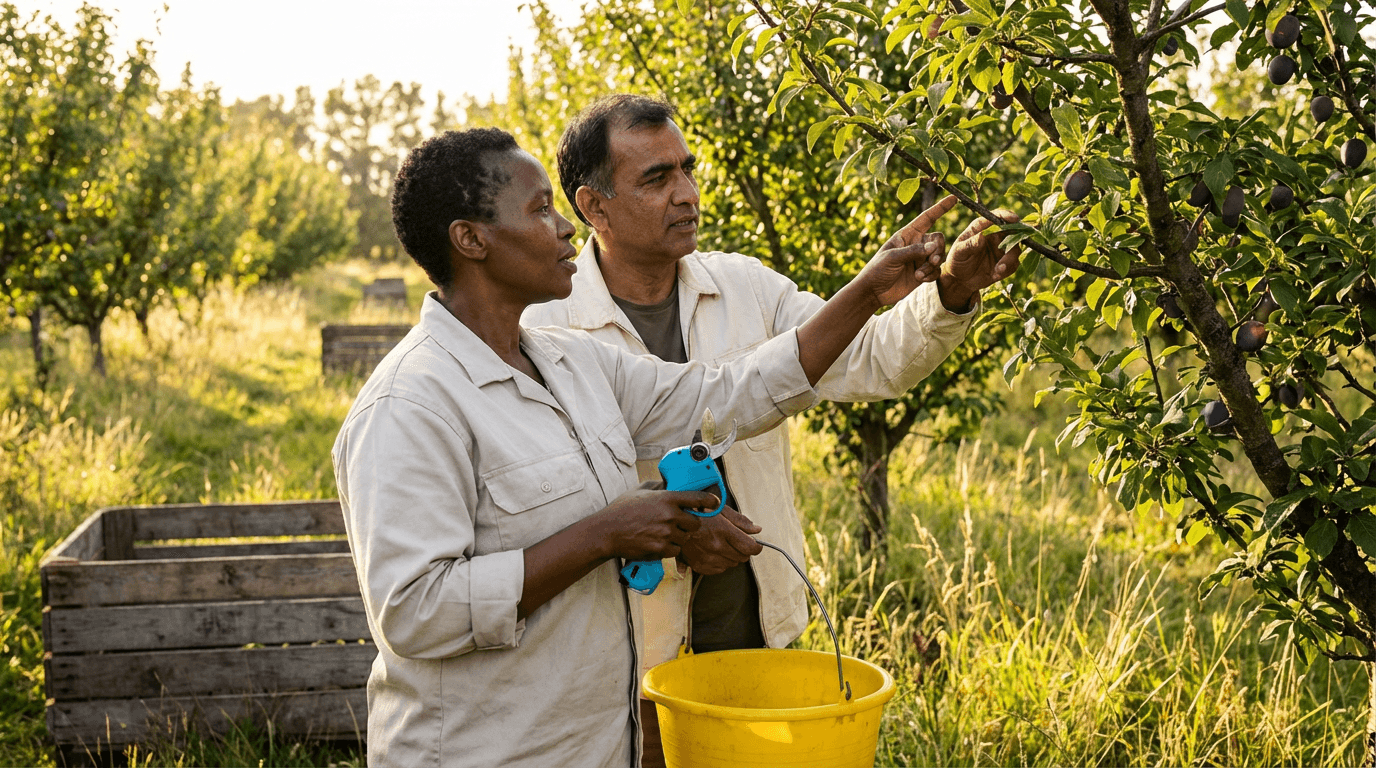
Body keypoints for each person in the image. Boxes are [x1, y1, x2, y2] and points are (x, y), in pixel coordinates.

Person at [332, 126, 972, 767]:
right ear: (470, 239)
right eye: (539, 211)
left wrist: (864, 293)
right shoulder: (409, 406)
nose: (563, 230)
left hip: (592, 744)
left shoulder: (572, 364)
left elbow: (729, 393)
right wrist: (606, 533)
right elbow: (415, 613)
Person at [521, 94, 1019, 765]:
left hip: (752, 636)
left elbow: (868, 358)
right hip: (626, 662)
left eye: (687, 171)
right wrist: (674, 534)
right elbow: (548, 510)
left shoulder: (746, 289)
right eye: (657, 179)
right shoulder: (547, 331)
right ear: (593, 206)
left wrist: (951, 291)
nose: (687, 195)